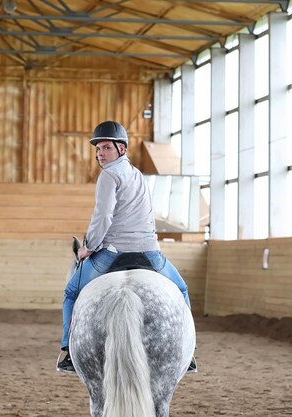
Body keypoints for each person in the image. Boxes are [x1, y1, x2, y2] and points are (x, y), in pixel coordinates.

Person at [56, 120, 196, 374]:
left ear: (121, 148)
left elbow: (103, 217)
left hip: (113, 252)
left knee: (71, 293)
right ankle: (189, 353)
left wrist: (88, 247)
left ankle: (67, 351)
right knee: (182, 289)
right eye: (98, 149)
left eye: (106, 148)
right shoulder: (137, 174)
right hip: (149, 252)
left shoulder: (108, 175)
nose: (100, 153)